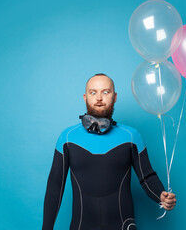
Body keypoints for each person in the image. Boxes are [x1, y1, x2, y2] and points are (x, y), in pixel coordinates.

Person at [42, 73, 177, 230]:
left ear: (115, 97)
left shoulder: (131, 136)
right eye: (93, 92)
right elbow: (55, 187)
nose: (99, 98)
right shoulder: (67, 138)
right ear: (85, 98)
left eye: (106, 92)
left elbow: (147, 177)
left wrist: (161, 196)